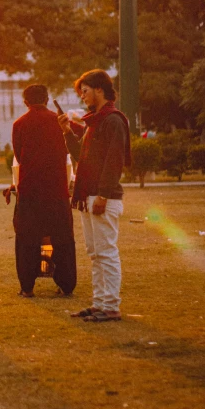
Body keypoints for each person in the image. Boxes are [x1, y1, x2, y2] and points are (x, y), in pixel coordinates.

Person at [57, 69, 131, 323]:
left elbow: (114, 161)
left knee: (106, 251)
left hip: (103, 196)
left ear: (99, 89)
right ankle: (100, 302)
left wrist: (103, 195)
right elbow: (82, 158)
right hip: (88, 194)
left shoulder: (113, 120)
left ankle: (110, 305)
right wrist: (68, 132)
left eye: (85, 91)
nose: (83, 97)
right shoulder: (95, 121)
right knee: (95, 252)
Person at [8, 84, 77, 298]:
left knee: (27, 240)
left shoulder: (19, 124)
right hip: (57, 190)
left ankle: (27, 286)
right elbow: (70, 148)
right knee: (62, 239)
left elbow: (19, 157)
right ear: (47, 99)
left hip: (30, 191)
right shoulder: (59, 121)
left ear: (26, 102)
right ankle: (66, 285)